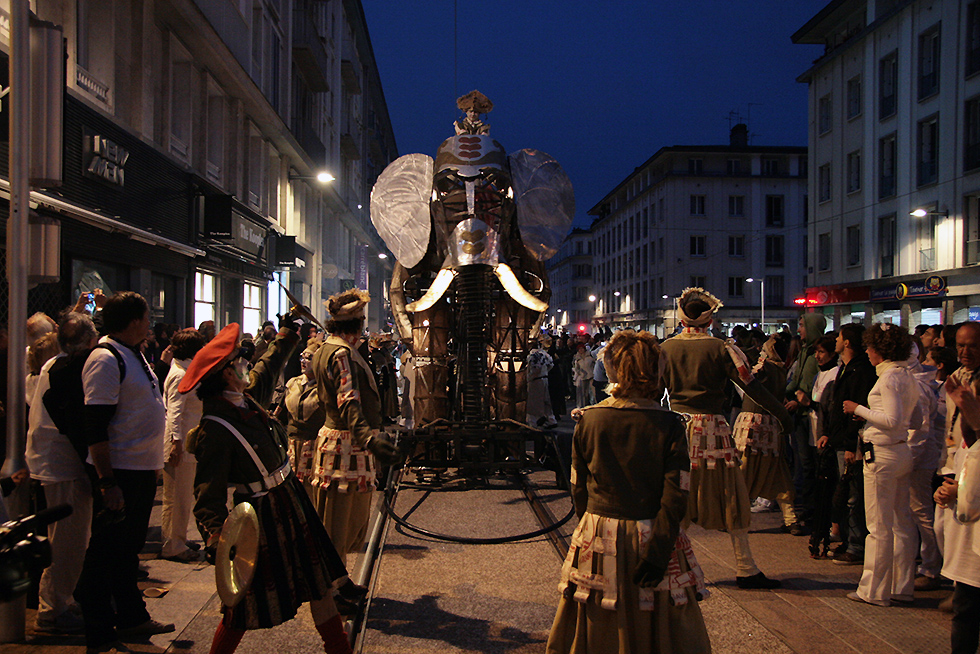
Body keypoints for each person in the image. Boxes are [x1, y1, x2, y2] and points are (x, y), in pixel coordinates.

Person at [179, 318, 355, 654]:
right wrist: (219, 539)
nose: (246, 365)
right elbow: (207, 495)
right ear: (226, 375)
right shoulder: (214, 429)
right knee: (241, 605)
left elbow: (269, 364)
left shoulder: (246, 399)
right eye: (238, 363)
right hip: (259, 517)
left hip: (288, 500)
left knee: (319, 585)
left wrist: (289, 333)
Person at [546, 330, 711, 654]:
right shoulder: (669, 425)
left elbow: (578, 485)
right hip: (654, 533)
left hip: (600, 530)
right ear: (655, 371)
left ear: (612, 369)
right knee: (660, 618)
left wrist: (587, 524)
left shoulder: (589, 421)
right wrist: (661, 547)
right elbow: (676, 493)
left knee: (600, 616)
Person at [660, 287, 791, 589]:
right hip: (714, 430)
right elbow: (752, 387)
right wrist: (781, 415)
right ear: (709, 320)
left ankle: (671, 567)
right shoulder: (722, 348)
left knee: (677, 494)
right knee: (732, 493)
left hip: (678, 429)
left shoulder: (666, 348)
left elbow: (654, 392)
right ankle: (745, 567)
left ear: (681, 319)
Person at [75, 292, 174, 653]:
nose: (150, 324)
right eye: (147, 318)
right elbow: (95, 426)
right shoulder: (105, 359)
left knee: (126, 551)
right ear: (133, 322)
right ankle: (99, 630)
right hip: (119, 471)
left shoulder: (133, 353)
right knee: (104, 553)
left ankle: (132, 616)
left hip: (140, 468)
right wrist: (107, 482)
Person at [294, 289, 402, 562]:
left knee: (338, 521)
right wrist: (370, 439)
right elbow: (348, 402)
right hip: (345, 447)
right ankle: (334, 586)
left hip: (337, 442)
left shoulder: (327, 350)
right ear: (356, 323)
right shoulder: (341, 354)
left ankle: (335, 581)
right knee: (339, 524)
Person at [27, 313, 98, 634]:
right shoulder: (64, 370)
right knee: (68, 539)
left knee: (69, 537)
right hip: (62, 465)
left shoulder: (56, 365)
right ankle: (53, 609)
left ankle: (61, 600)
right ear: (86, 343)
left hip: (56, 463)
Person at [842, 323, 919, 607]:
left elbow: (893, 420)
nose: (867, 351)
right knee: (901, 523)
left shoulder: (888, 379)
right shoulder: (907, 376)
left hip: (883, 455)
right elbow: (915, 420)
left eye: (870, 346)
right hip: (900, 452)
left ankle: (873, 589)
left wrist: (858, 409)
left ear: (879, 349)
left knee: (879, 526)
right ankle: (901, 585)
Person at [935, 324, 980, 654]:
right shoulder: (960, 379)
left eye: (973, 346)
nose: (965, 351)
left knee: (968, 609)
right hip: (960, 471)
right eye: (960, 345)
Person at [733, 334, 802, 537]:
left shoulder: (763, 368)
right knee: (779, 472)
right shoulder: (782, 370)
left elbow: (746, 380)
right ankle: (791, 520)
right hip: (773, 426)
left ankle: (737, 518)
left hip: (752, 426)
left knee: (743, 471)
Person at [824, 324, 877, 566]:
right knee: (843, 492)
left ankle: (857, 544)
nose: (835, 339)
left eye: (839, 336)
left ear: (847, 342)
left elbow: (855, 409)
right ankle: (847, 539)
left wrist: (849, 444)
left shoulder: (861, 372)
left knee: (854, 494)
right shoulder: (845, 369)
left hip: (851, 442)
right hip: (839, 439)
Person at [161, 328, 206, 562]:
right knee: (176, 498)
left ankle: (177, 536)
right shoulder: (180, 374)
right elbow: (174, 413)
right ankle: (173, 545)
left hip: (187, 443)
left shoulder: (184, 369)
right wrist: (175, 444)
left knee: (182, 496)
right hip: (179, 446)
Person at [784, 312, 827, 529]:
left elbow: (808, 384)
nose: (799, 329)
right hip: (799, 414)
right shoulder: (804, 352)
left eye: (802, 325)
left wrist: (798, 400)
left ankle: (810, 509)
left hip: (806, 415)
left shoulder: (813, 355)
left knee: (808, 463)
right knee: (803, 462)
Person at [527, 335, 558, 428]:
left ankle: (534, 422)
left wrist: (529, 377)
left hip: (535, 380)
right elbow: (551, 364)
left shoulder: (532, 355)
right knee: (546, 400)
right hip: (545, 378)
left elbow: (534, 369)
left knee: (533, 402)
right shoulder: (544, 353)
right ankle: (551, 419)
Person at [571, 343, 595, 409]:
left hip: (591, 375)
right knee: (584, 393)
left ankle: (594, 404)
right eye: (579, 349)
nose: (581, 350)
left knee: (593, 392)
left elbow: (594, 364)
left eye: (582, 348)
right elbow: (576, 368)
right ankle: (585, 406)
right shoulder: (577, 358)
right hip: (583, 377)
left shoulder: (590, 356)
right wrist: (580, 373)